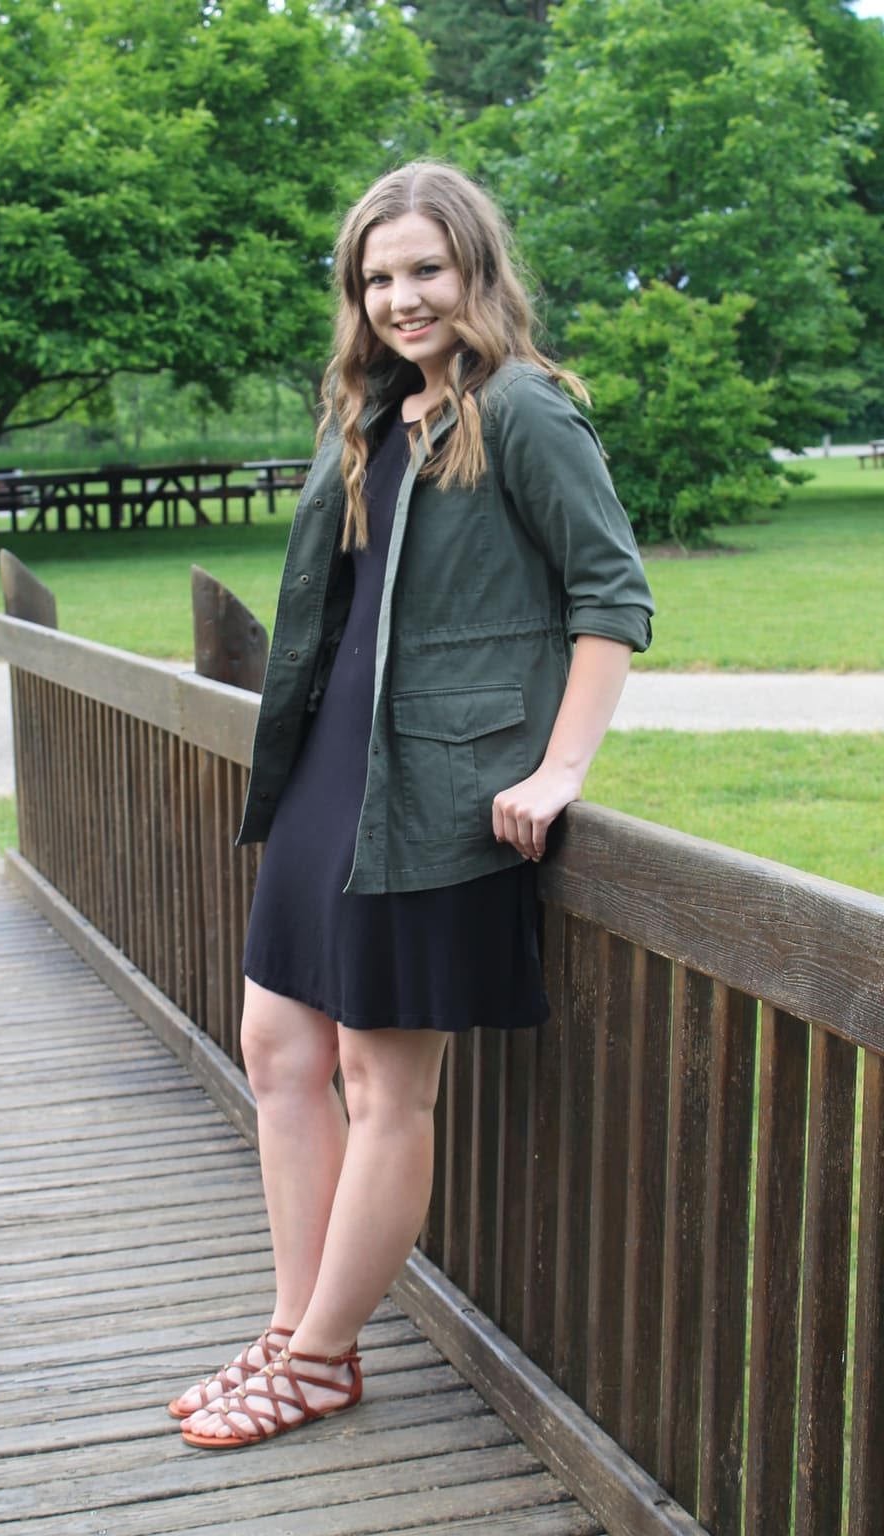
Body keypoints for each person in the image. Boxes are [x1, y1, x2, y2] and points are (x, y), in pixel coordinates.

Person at [167, 161, 654, 1450]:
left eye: (425, 270)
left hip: (440, 793)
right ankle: (293, 1327)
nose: (401, 297)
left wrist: (559, 773)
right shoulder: (373, 415)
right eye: (378, 278)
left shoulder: (527, 413)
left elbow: (613, 599)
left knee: (388, 1084)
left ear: (476, 270)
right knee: (278, 1048)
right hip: (336, 773)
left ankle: (321, 1357)